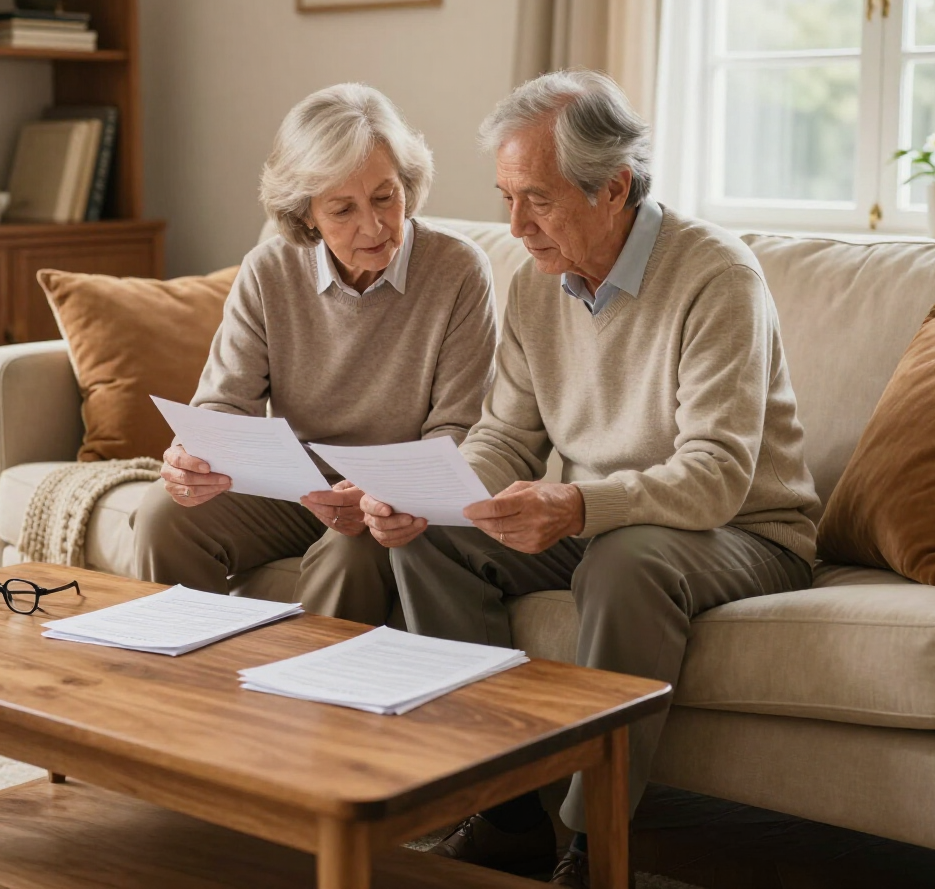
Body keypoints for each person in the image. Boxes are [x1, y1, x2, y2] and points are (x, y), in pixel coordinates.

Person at [360, 70, 819, 887]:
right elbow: (505, 435)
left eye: (535, 198)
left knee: (625, 559)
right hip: (598, 518)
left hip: (744, 530)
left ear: (615, 188)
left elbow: (714, 477)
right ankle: (502, 810)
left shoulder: (716, 275)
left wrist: (576, 504)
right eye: (504, 196)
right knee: (431, 543)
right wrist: (434, 496)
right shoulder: (537, 284)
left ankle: (592, 845)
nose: (514, 224)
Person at [133, 83, 497, 625]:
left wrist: (384, 491)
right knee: (164, 516)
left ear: (408, 186)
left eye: (385, 196)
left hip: (390, 497)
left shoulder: (458, 271)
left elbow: (458, 428)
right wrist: (194, 458)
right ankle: (190, 692)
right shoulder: (268, 271)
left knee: (350, 552)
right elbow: (221, 405)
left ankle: (313, 702)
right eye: (343, 209)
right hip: (292, 488)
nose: (373, 226)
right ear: (306, 216)